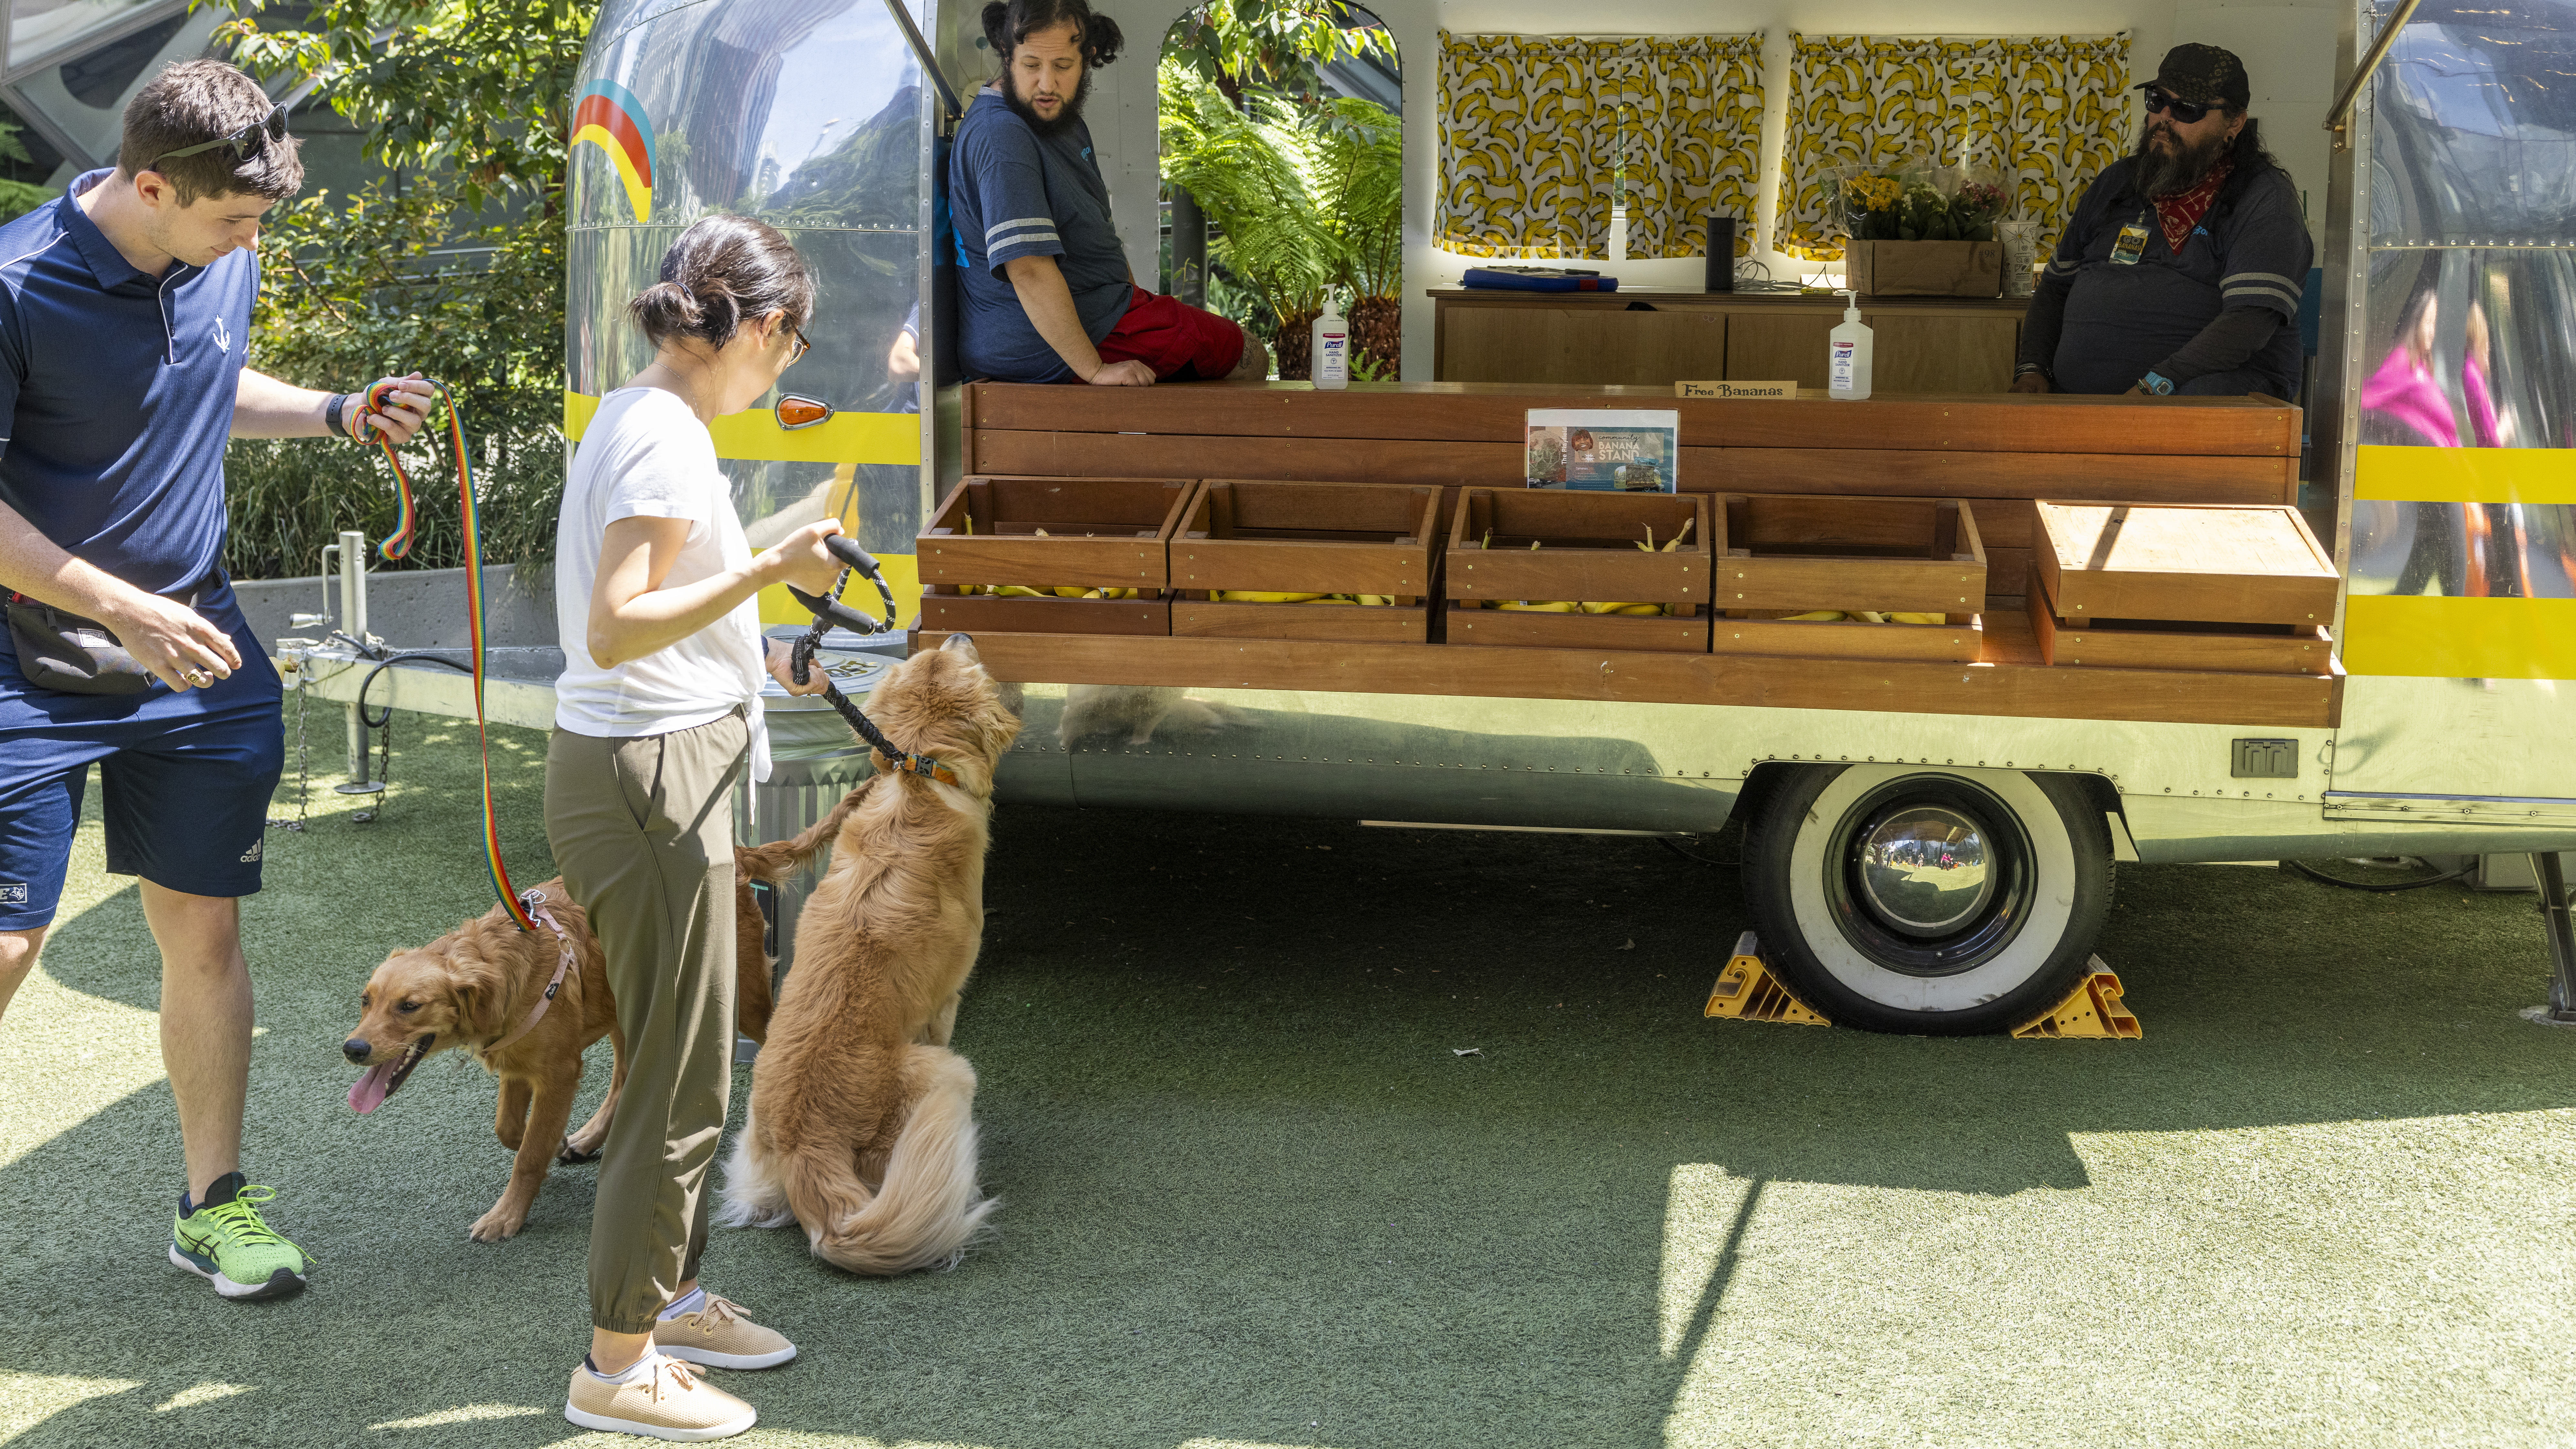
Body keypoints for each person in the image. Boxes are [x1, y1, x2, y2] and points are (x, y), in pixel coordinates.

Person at [0, 59, 434, 1302]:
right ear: (146, 185)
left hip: (192, 644)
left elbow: (195, 387)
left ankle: (214, 1208)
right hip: (24, 654)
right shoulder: (14, 286)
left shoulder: (217, 254)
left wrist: (336, 411)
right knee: (9, 938)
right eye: (233, 222)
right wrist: (114, 604)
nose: (250, 244)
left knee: (204, 924)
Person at [548, 213, 847, 1442]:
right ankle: (617, 1364)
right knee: (675, 1082)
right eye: (796, 340)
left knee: (682, 1064)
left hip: (654, 758)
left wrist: (760, 648)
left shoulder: (649, 420)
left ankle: (663, 1300)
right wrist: (769, 571)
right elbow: (618, 624)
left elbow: (646, 615)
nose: (792, 364)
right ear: (765, 326)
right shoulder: (667, 441)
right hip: (648, 776)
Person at [949, 0, 1271, 385]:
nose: (1047, 84)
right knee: (1249, 359)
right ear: (1005, 53)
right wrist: (1096, 370)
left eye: (1063, 66)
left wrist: (1137, 303)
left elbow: (1100, 229)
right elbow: (1029, 269)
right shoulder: (1002, 137)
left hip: (1102, 313)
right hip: (1047, 344)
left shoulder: (1056, 116)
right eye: (1031, 65)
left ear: (1088, 56)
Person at [2012, 44, 2312, 400]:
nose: (2164, 119)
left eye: (2187, 108)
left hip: (2197, 405)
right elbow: (2055, 287)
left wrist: (2154, 387)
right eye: (2157, 101)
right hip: (2083, 407)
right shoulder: (2117, 181)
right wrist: (2032, 368)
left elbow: (2249, 320)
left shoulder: (2262, 198)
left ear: (2234, 122)